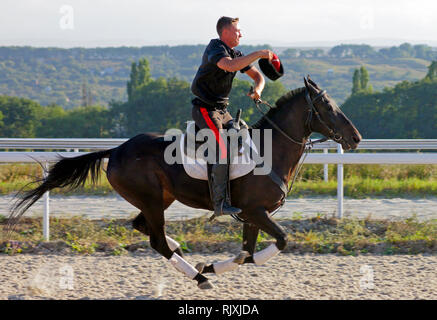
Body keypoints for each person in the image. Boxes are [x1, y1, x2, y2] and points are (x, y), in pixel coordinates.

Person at [191, 16, 273, 217]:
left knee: (245, 135)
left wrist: (258, 90)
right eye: (238, 30)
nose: (241, 34)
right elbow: (229, 66)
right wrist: (260, 53)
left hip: (222, 110)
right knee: (221, 147)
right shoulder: (215, 49)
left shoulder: (236, 54)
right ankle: (219, 204)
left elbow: (258, 77)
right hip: (205, 109)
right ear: (226, 32)